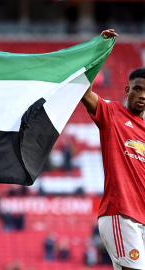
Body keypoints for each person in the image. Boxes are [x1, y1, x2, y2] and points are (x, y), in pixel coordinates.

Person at [81, 29, 145, 270]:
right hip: (121, 214)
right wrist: (98, 50)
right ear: (128, 90)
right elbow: (82, 91)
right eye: (137, 88)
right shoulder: (112, 113)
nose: (142, 95)